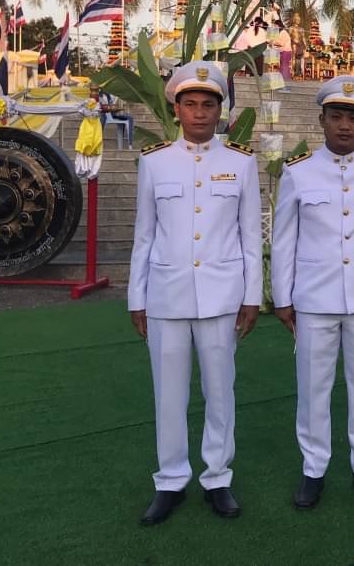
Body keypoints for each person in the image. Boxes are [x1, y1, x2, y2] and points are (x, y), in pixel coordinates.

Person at [127, 61, 262, 525]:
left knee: (220, 391)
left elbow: (249, 236)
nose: (200, 113)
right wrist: (137, 298)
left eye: (208, 105)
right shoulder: (155, 161)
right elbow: (144, 235)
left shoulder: (241, 163)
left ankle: (218, 477)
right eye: (191, 104)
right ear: (177, 109)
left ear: (221, 111)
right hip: (166, 294)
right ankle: (170, 479)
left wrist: (252, 296)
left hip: (222, 296)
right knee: (168, 394)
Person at [271, 75, 354, 509]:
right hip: (315, 298)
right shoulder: (298, 171)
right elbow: (284, 240)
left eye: (353, 117)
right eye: (336, 116)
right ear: (322, 120)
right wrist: (283, 297)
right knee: (313, 388)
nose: (344, 125)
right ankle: (313, 469)